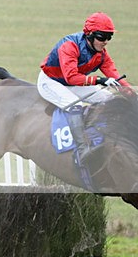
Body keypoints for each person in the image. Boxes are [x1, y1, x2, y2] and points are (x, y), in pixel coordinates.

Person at [38, 12, 133, 159]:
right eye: (102, 37)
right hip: (51, 82)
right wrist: (99, 80)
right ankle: (83, 149)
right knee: (74, 106)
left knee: (109, 99)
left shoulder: (101, 54)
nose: (105, 41)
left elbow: (114, 75)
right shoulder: (69, 46)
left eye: (109, 37)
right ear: (89, 34)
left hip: (74, 82)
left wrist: (133, 96)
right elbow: (71, 77)